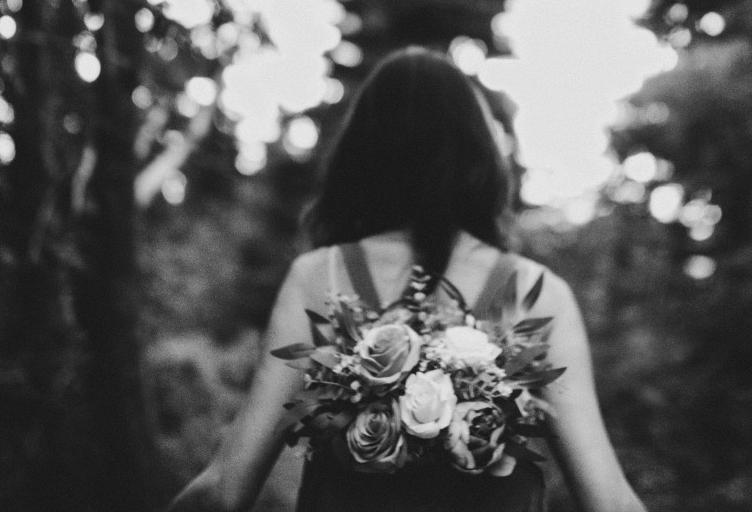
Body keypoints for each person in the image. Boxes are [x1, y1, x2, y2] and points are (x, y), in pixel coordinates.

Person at [166, 47, 648, 512]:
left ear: (362, 155)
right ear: (478, 155)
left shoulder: (319, 276)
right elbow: (608, 500)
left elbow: (225, 491)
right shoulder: (538, 295)